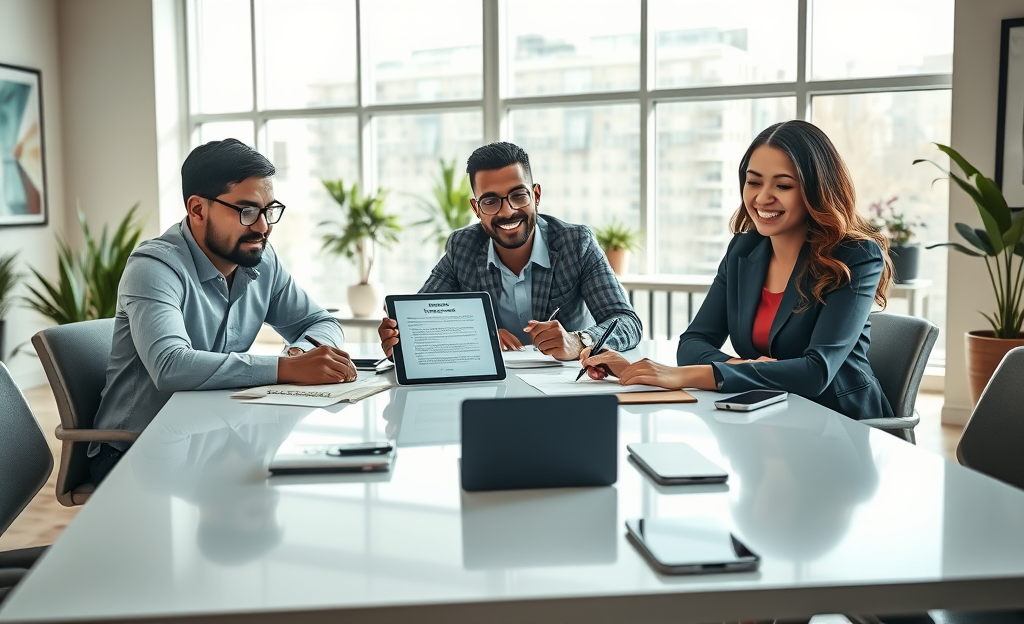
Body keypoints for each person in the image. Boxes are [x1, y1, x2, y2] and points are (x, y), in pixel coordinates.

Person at [581, 120, 895, 421]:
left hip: (840, 425)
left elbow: (816, 373)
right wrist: (740, 364)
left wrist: (682, 376)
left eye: (783, 185)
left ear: (816, 191)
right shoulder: (744, 251)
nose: (761, 197)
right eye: (753, 181)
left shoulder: (854, 257)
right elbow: (692, 344)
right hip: (766, 414)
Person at [90, 138, 354, 483]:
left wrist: (300, 352)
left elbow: (319, 321)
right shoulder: (153, 267)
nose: (262, 227)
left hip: (213, 438)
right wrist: (287, 368)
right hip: (139, 452)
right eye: (246, 211)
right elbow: (171, 366)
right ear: (198, 209)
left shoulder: (260, 258)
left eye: (268, 210)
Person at [378, 141, 641, 360]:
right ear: (476, 209)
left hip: (563, 388)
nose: (507, 211)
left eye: (518, 196)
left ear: (536, 196)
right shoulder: (463, 247)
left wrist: (578, 340)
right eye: (491, 201)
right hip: (492, 389)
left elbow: (627, 322)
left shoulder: (576, 244)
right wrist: (480, 334)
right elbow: (417, 320)